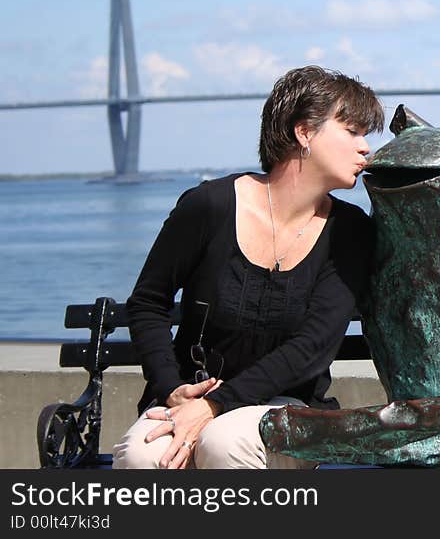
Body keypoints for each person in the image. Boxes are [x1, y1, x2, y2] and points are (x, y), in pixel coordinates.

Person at [112, 66, 384, 469]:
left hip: (287, 407)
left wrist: (216, 405)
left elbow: (312, 347)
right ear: (304, 132)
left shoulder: (350, 232)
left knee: (225, 442)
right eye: (352, 131)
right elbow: (148, 304)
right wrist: (172, 391)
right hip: (188, 398)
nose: (365, 148)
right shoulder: (209, 206)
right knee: (142, 455)